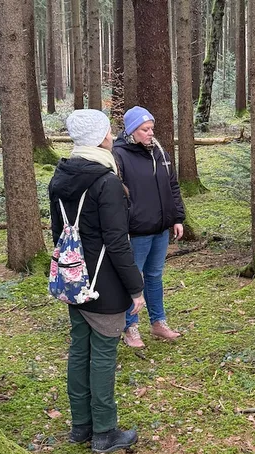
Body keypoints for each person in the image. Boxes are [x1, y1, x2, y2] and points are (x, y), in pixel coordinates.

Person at [49, 109, 146, 454]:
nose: (112, 135)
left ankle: (80, 427)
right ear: (100, 137)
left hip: (73, 279)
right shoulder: (106, 182)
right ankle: (104, 432)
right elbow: (118, 242)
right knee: (103, 354)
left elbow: (58, 233)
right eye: (108, 130)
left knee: (79, 350)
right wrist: (136, 287)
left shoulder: (60, 177)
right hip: (103, 283)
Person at [112, 106, 186, 348]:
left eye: (152, 128)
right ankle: (130, 327)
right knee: (134, 279)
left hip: (161, 228)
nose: (150, 133)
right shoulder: (119, 155)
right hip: (136, 231)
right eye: (145, 129)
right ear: (132, 130)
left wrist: (177, 218)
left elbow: (172, 186)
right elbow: (116, 195)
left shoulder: (160, 153)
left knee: (155, 276)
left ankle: (158, 322)